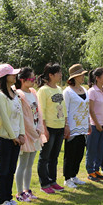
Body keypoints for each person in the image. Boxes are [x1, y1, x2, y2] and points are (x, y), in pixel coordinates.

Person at [0, 64, 25, 205]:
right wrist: (13, 136)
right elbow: (5, 119)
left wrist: (21, 134)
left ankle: (9, 197)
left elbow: (20, 114)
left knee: (11, 169)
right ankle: (2, 199)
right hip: (6, 138)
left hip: (17, 137)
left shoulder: (15, 93)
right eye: (12, 74)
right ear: (4, 77)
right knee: (4, 169)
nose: (15, 76)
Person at [36, 63, 67, 194]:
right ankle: (44, 183)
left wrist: (66, 125)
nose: (60, 75)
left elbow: (64, 108)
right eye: (58, 72)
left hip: (60, 126)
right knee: (45, 157)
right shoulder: (43, 90)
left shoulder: (59, 89)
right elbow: (41, 110)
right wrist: (44, 128)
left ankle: (52, 181)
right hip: (49, 127)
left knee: (54, 156)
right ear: (51, 75)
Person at [14, 67, 44, 202]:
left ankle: (27, 189)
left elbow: (39, 111)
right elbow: (24, 117)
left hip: (36, 133)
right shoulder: (19, 94)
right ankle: (20, 192)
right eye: (31, 79)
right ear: (22, 80)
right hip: (27, 134)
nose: (33, 81)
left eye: (34, 78)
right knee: (23, 163)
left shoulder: (33, 92)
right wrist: (33, 131)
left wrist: (39, 128)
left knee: (30, 164)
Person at [63, 64, 90, 186]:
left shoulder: (84, 89)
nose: (83, 77)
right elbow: (65, 110)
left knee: (79, 153)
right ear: (74, 77)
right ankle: (67, 178)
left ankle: (74, 175)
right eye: (81, 75)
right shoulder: (68, 92)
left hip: (83, 127)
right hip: (72, 127)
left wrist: (88, 123)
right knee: (70, 153)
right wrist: (66, 125)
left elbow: (87, 107)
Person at [86, 67, 103, 181]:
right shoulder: (92, 91)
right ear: (97, 78)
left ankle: (97, 170)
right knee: (92, 149)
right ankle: (90, 171)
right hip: (94, 126)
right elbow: (91, 110)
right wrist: (97, 124)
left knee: (101, 149)